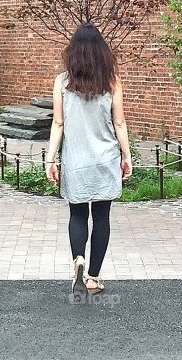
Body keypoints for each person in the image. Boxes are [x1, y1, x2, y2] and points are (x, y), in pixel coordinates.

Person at [45, 23, 133, 299]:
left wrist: (50, 159)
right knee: (102, 216)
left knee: (78, 214)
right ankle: (93, 277)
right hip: (105, 159)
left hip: (76, 160)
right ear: (102, 52)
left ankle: (78, 260)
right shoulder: (112, 81)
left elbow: (58, 123)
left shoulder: (62, 82)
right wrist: (127, 155)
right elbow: (119, 122)